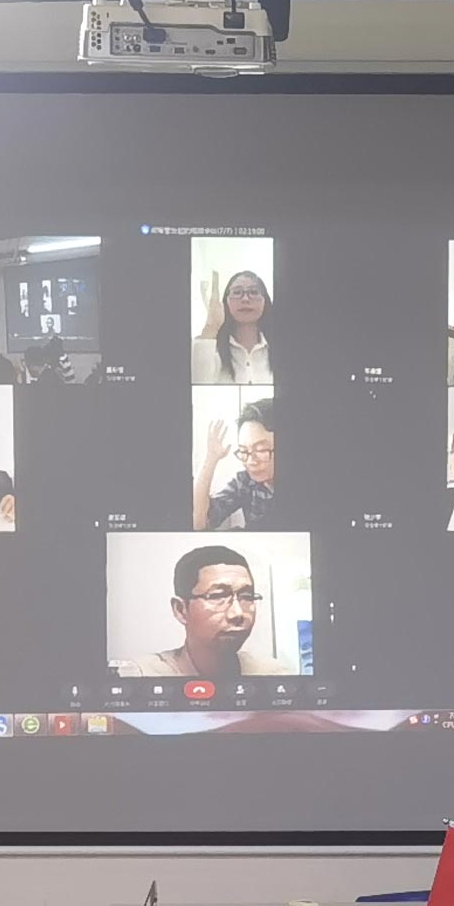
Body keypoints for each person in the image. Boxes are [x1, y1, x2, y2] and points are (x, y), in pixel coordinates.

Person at [118, 545, 297, 678]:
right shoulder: (142, 675)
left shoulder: (275, 675)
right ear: (181, 609)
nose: (237, 613)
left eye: (247, 596)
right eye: (218, 596)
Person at [197, 398, 277, 531]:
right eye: (243, 451)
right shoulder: (245, 482)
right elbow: (199, 522)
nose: (250, 461)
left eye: (261, 450)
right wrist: (210, 459)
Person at [190, 267, 273, 384]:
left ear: (265, 300)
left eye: (254, 292)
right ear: (226, 301)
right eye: (237, 292)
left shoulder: (282, 350)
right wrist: (211, 327)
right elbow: (196, 384)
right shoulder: (211, 349)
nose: (245, 299)